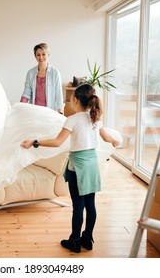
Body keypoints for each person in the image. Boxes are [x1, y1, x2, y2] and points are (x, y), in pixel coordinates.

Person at [21, 83, 120, 253]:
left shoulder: (72, 120)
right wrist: (114, 141)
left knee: (78, 207)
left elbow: (57, 142)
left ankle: (75, 241)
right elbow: (106, 137)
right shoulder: (95, 119)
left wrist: (34, 142)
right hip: (92, 166)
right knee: (91, 205)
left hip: (78, 168)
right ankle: (87, 239)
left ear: (75, 100)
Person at [20, 43, 64, 113]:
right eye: (38, 55)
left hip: (50, 112)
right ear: (35, 56)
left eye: (43, 54)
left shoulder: (55, 73)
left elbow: (59, 97)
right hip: (34, 111)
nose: (41, 57)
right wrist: (20, 106)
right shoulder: (30, 73)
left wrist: (60, 113)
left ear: (48, 55)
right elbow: (26, 93)